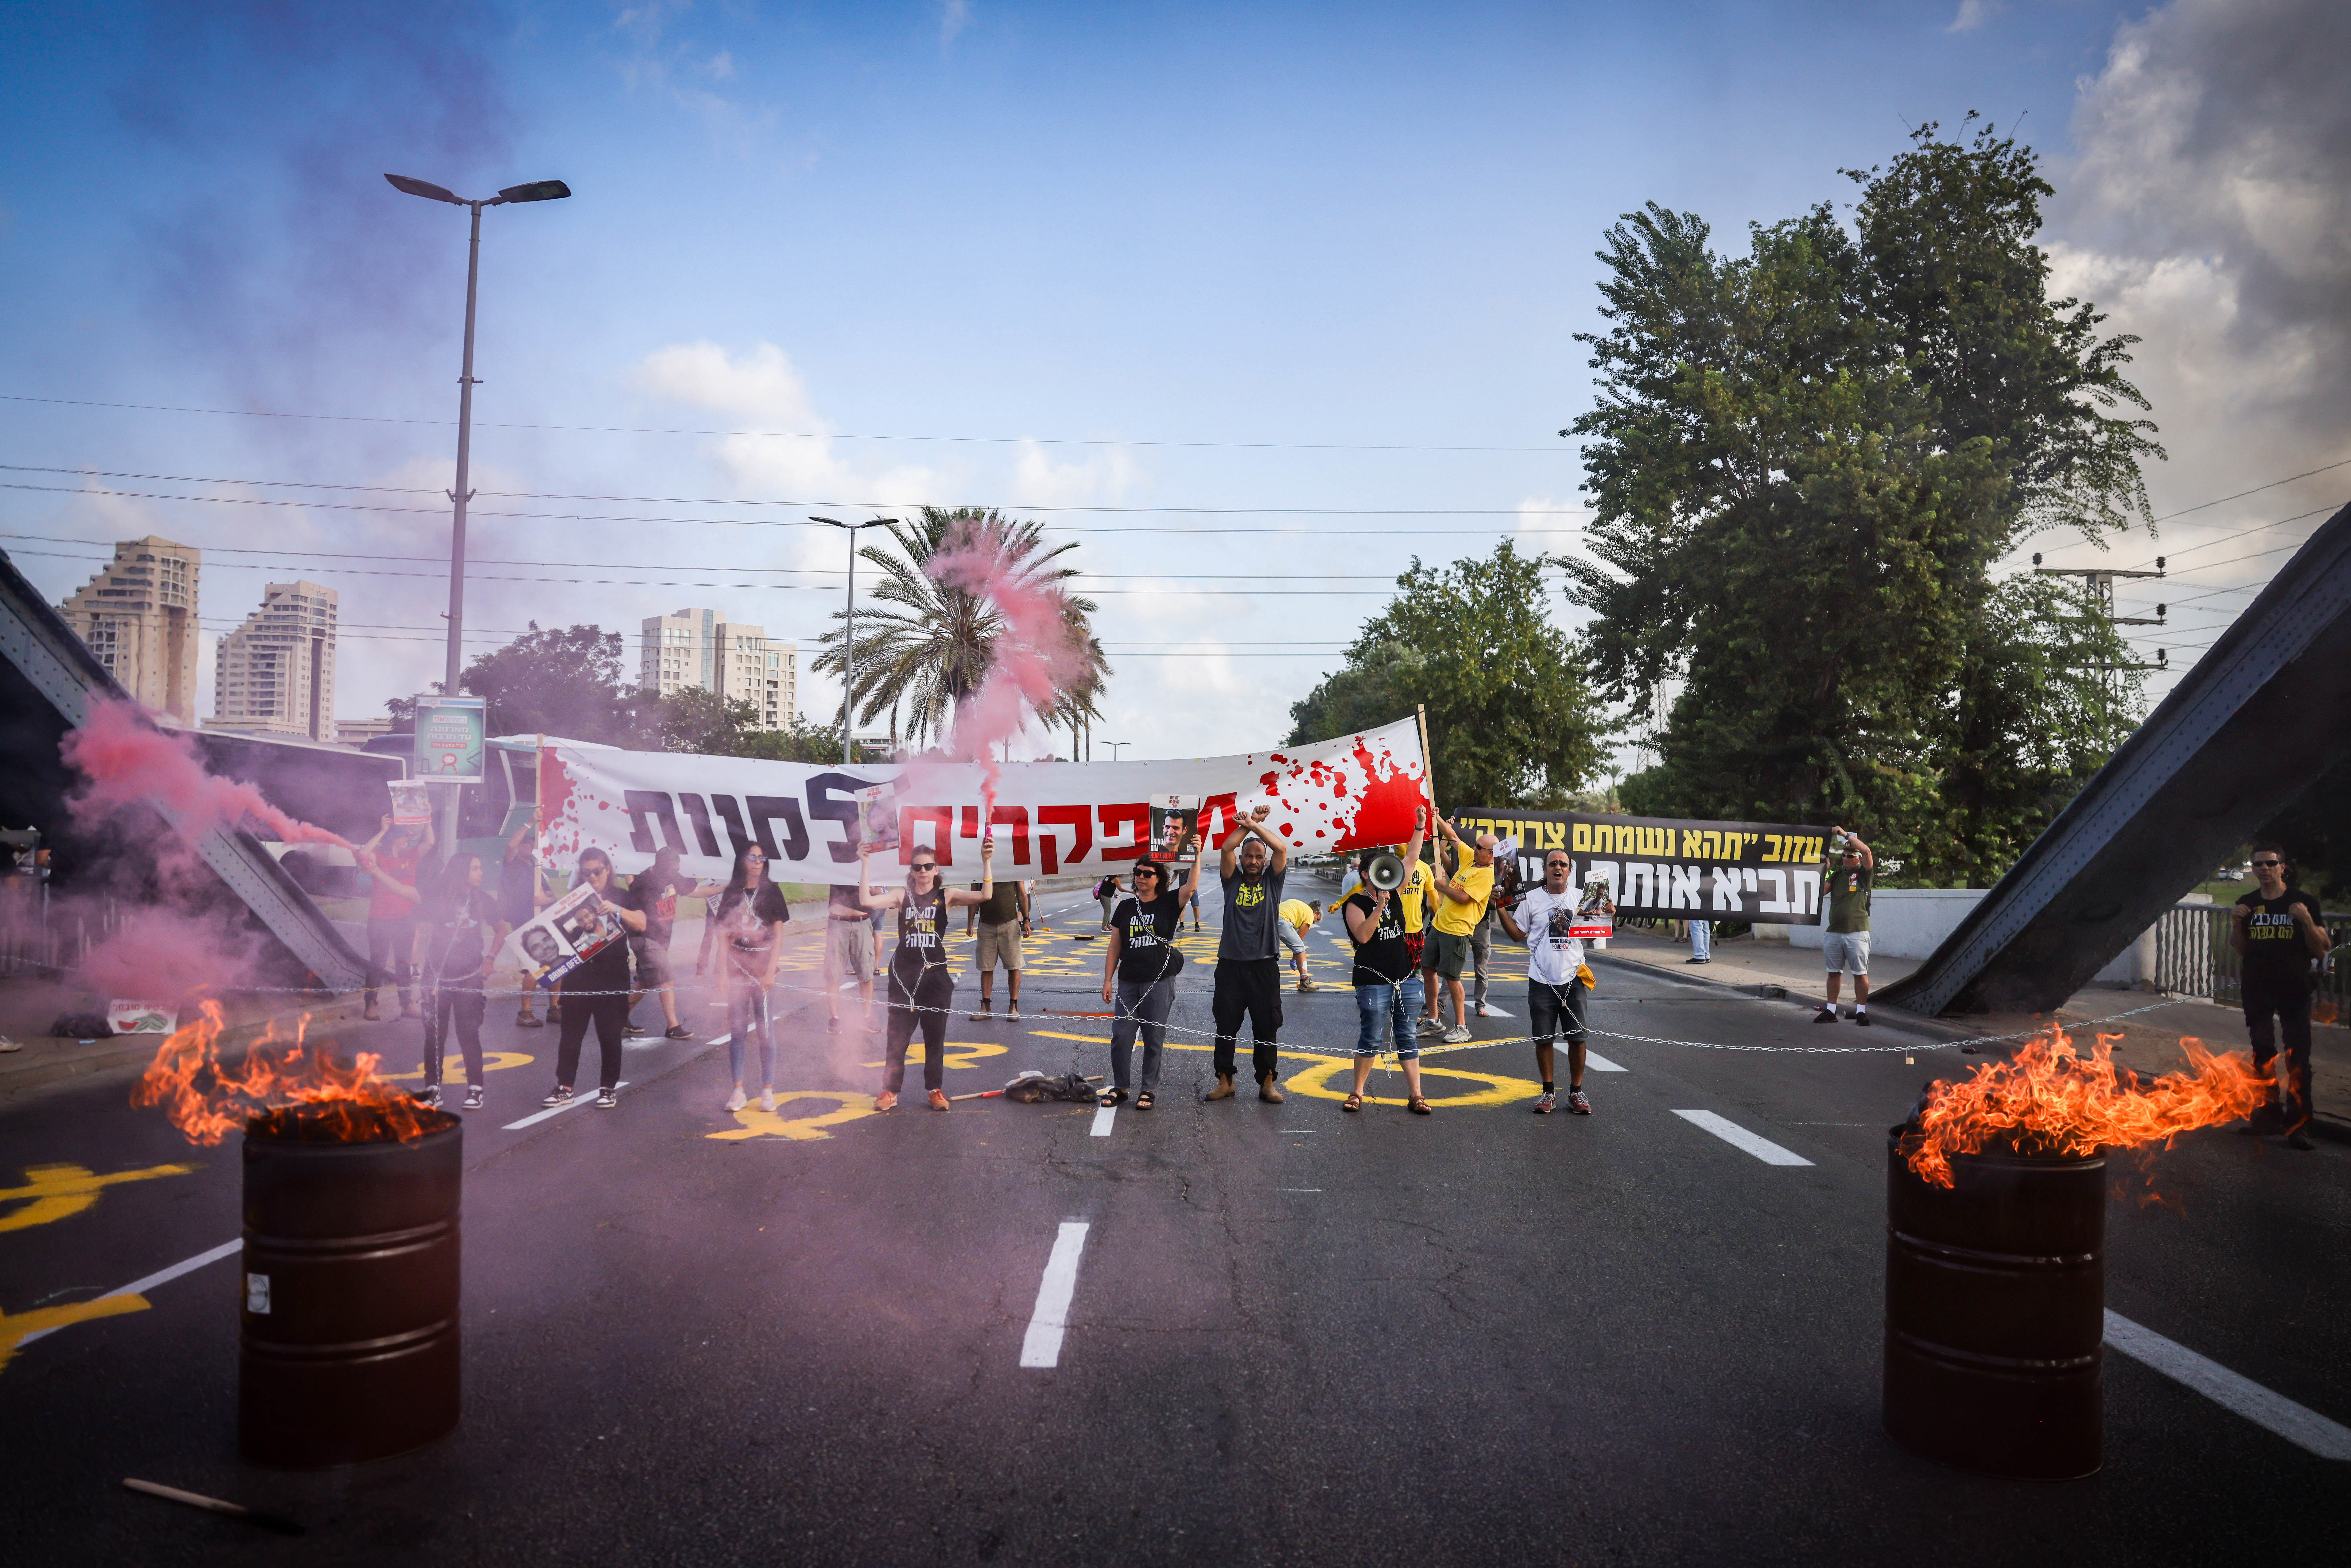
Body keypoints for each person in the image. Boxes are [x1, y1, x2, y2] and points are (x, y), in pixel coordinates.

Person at [862, 837, 996, 1112]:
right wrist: (865, 864)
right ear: (911, 871)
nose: (923, 871)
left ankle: (935, 1090)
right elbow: (867, 900)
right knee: (897, 1037)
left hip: (935, 978)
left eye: (929, 866)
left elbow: (986, 895)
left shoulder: (947, 896)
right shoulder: (902, 895)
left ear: (937, 870)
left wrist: (987, 861)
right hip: (904, 978)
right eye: (917, 867)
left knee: (935, 1037)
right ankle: (890, 1091)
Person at [2231, 843, 2332, 1150]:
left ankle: (2299, 1125)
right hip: (2257, 989)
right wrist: (2236, 922)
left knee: (2297, 1058)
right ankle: (2267, 1116)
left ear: (2282, 867)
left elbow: (2321, 948)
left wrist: (2304, 921)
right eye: (2258, 865)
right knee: (2262, 1054)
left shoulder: (2302, 902)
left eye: (2270, 864)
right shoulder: (2247, 903)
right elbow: (2240, 948)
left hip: (2294, 989)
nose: (2264, 869)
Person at [1098, 837, 1208, 1109]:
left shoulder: (1170, 903)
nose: (1141, 878)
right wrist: (1108, 979)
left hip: (1159, 982)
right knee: (1121, 1036)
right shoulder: (1125, 907)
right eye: (1137, 873)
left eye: (1148, 874)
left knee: (1153, 1039)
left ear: (1160, 879)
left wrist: (1196, 853)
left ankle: (1148, 1089)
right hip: (1128, 982)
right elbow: (1115, 946)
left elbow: (1192, 886)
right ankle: (1121, 1086)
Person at [1498, 847, 1606, 1115]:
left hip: (1574, 981)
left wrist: (1607, 915)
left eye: (1563, 864)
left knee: (1578, 1038)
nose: (1558, 868)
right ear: (1545, 870)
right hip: (1541, 981)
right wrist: (1499, 908)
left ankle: (1576, 1093)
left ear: (1570, 870)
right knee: (1544, 1040)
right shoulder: (1531, 900)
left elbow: (1595, 939)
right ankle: (1548, 1093)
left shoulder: (1583, 898)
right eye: (1553, 864)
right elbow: (1516, 935)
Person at [1341, 808, 1433, 1114]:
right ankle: (1357, 1093)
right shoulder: (1355, 903)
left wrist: (1419, 826)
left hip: (1405, 977)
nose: (1385, 874)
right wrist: (1378, 908)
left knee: (1406, 1035)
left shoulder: (1396, 889)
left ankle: (1416, 1095)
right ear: (1366, 874)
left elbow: (1411, 859)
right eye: (1378, 869)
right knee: (1372, 1035)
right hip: (1372, 980)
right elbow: (1363, 936)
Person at [541, 847, 647, 1110]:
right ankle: (565, 1088)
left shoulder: (623, 896)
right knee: (570, 1035)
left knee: (610, 1035)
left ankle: (608, 1088)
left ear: (608, 869)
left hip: (612, 974)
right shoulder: (574, 898)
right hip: (579, 975)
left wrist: (617, 910)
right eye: (586, 873)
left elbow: (642, 923)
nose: (592, 877)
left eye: (597, 872)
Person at [1208, 804, 1289, 1103]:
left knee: (1266, 1024)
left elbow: (1280, 847)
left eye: (1258, 857)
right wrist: (1250, 822)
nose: (1253, 861)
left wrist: (1255, 826)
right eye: (1248, 857)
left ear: (1264, 860)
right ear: (1242, 861)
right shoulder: (1231, 880)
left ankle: (1267, 1082)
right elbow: (1227, 846)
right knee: (1226, 1023)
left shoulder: (1273, 880)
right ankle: (1225, 1080)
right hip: (1230, 964)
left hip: (1264, 965)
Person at [414, 853, 507, 1111]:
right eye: (475, 869)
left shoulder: (484, 900)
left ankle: (476, 1088)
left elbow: (502, 929)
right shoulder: (439, 897)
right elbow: (417, 912)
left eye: (480, 868)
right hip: (436, 977)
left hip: (469, 977)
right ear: (461, 871)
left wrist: (490, 959)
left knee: (468, 1033)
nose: (481, 873)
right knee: (434, 1034)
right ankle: (433, 1089)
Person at [707, 845, 791, 1112]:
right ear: (743, 861)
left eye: (761, 858)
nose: (757, 862)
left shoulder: (773, 892)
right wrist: (721, 973)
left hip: (763, 971)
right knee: (738, 1032)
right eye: (752, 857)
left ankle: (768, 1092)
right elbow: (723, 936)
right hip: (736, 970)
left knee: (766, 1032)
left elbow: (778, 937)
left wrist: (770, 972)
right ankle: (738, 1091)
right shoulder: (732, 892)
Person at [622, 845, 722, 1041]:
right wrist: (725, 887)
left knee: (644, 982)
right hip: (646, 938)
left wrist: (725, 887)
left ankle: (617, 1017)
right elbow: (697, 891)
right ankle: (673, 1027)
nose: (677, 869)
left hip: (656, 939)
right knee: (667, 980)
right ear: (667, 865)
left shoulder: (663, 876)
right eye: (675, 866)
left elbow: (695, 891)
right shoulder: (651, 880)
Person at [1425, 816, 1498, 1044]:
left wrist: (1442, 887)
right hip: (1439, 925)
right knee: (1428, 969)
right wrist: (1436, 817)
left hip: (1457, 930)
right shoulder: (1471, 860)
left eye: (1479, 848)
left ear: (1491, 855)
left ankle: (1462, 1027)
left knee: (1453, 978)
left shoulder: (1487, 875)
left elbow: (1465, 898)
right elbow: (1453, 837)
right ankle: (1433, 1021)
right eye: (1475, 846)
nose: (1474, 849)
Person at [356, 813, 433, 1021]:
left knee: (404, 964)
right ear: (394, 839)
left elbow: (430, 842)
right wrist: (382, 831)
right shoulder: (379, 857)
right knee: (377, 965)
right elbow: (363, 854)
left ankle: (406, 1005)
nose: (408, 839)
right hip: (380, 919)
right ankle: (371, 1006)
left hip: (405, 919)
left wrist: (427, 819)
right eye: (405, 836)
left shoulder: (411, 856)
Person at [1816, 829, 1874, 1025]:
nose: (1847, 859)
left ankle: (1861, 1012)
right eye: (1844, 855)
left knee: (1860, 974)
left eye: (1851, 856)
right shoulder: (1836, 875)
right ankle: (1831, 1010)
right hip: (1834, 931)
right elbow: (1821, 892)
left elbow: (1867, 852)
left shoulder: (1863, 874)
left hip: (1857, 932)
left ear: (1857, 859)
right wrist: (1825, 869)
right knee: (1833, 973)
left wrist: (1844, 835)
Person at [966, 873, 1032, 1021]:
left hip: (1010, 923)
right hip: (986, 924)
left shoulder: (1012, 866)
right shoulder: (980, 868)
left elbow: (1022, 893)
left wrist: (1026, 920)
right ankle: (986, 1007)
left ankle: (1013, 1007)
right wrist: (970, 923)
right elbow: (973, 896)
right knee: (986, 967)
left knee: (1014, 966)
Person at [501, 815, 546, 1027]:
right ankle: (525, 1012)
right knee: (532, 967)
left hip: (543, 923)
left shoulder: (537, 869)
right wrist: (530, 822)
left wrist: (547, 899)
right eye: (526, 843)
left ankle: (555, 1008)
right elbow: (511, 845)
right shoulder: (512, 866)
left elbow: (553, 896)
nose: (529, 846)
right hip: (523, 924)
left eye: (531, 843)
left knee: (555, 965)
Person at [824, 878, 874, 1035]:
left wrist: (879, 890)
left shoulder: (870, 860)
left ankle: (866, 1018)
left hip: (863, 921)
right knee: (833, 973)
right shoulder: (837, 856)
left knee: (867, 973)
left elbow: (880, 889)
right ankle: (834, 1018)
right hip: (838, 922)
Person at [1276, 897, 1324, 992]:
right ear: (1315, 913)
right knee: (1301, 949)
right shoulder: (1310, 915)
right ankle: (1305, 981)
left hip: (1269, 919)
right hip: (1282, 922)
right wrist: (1294, 960)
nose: (1314, 923)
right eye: (1316, 920)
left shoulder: (1300, 905)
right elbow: (1300, 940)